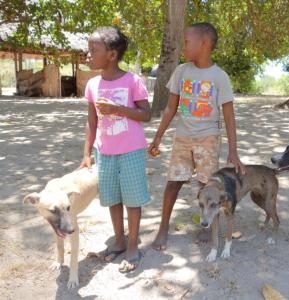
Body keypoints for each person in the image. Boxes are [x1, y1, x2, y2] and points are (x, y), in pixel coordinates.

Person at [149, 22, 245, 251]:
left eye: (186, 42)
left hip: (208, 138)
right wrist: (157, 137)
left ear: (203, 43)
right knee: (173, 183)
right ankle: (163, 227)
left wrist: (233, 151)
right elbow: (171, 109)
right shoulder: (181, 71)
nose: (183, 47)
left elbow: (229, 117)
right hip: (182, 137)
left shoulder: (219, 76)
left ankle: (206, 227)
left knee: (206, 184)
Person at [80, 26, 151, 272]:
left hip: (131, 150)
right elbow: (92, 121)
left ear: (111, 55)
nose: (87, 55)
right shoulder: (92, 85)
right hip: (105, 152)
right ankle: (119, 241)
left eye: (93, 50)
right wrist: (87, 153)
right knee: (112, 197)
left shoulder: (133, 81)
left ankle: (133, 246)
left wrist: (118, 109)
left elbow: (146, 114)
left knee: (132, 198)